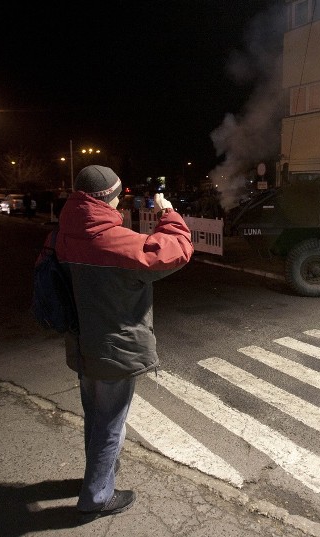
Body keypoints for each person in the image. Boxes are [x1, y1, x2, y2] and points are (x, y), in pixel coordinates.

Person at [53, 165, 193, 520]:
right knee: (111, 423)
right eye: (118, 195)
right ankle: (97, 496)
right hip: (113, 346)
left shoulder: (66, 232)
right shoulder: (111, 240)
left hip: (83, 341)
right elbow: (175, 250)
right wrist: (167, 211)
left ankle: (94, 479)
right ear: (107, 199)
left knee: (96, 417)